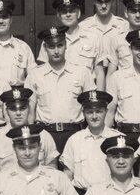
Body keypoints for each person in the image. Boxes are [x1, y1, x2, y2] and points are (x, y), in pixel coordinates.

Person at [27, 26, 96, 154]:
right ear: (45, 48)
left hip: (75, 133)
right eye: (51, 47)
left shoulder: (82, 72)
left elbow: (91, 108)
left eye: (60, 45)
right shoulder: (35, 75)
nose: (56, 51)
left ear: (66, 46)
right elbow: (30, 111)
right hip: (45, 134)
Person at [37, 0, 105, 89]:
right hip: (60, 90)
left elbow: (99, 72)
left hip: (87, 91)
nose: (68, 15)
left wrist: (99, 99)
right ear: (58, 16)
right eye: (64, 12)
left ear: (79, 13)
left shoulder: (93, 38)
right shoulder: (49, 41)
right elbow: (43, 71)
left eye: (72, 11)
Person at [78, 0, 129, 81]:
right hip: (92, 77)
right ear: (94, 1)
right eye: (100, 1)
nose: (104, 5)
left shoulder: (123, 26)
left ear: (112, 1)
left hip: (117, 76)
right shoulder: (84, 26)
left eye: (107, 1)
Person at [0, 0, 37, 87]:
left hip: (17, 96)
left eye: (5, 17)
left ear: (11, 20)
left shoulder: (23, 48)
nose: (1, 21)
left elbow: (34, 77)